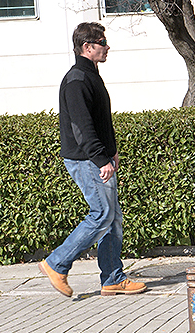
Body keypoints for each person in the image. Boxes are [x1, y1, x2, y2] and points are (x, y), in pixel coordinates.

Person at [38, 22, 147, 298]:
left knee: (113, 219)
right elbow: (82, 128)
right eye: (102, 42)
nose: (107, 47)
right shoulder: (77, 79)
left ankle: (112, 278)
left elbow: (100, 121)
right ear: (88, 47)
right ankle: (56, 263)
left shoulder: (90, 75)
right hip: (86, 160)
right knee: (101, 214)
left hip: (97, 157)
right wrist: (101, 159)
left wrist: (112, 151)